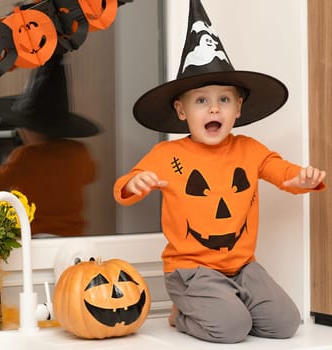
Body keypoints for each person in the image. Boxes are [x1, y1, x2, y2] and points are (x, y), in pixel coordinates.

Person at [113, 0, 326, 344]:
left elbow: (281, 172)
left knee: (286, 324)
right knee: (232, 329)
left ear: (238, 107)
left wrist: (301, 179)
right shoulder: (168, 154)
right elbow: (124, 187)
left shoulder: (249, 150)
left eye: (224, 100)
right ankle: (184, 313)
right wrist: (135, 183)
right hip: (191, 270)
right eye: (201, 101)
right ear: (181, 110)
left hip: (243, 268)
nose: (213, 107)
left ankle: (228, 305)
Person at [0, 54, 100, 237]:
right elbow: (91, 175)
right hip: (71, 235)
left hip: (34, 236)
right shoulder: (80, 152)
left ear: (33, 129)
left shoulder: (25, 156)